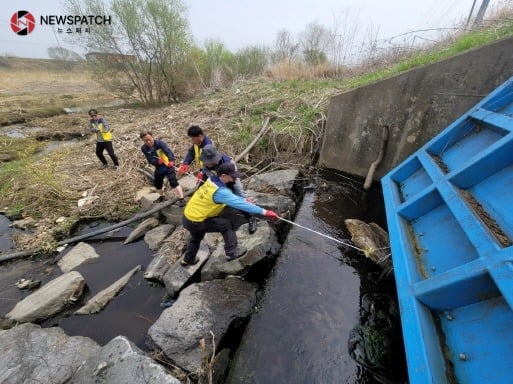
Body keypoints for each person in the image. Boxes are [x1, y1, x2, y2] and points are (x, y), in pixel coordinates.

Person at [181, 162, 280, 266]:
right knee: (225, 224)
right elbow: (241, 204)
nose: (235, 179)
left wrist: (244, 199)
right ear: (223, 176)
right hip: (196, 221)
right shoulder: (220, 192)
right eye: (232, 177)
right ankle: (232, 252)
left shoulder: (212, 180)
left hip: (188, 216)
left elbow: (234, 198)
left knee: (196, 237)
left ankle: (188, 259)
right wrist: (266, 212)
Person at [198, 144, 258, 234]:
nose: (207, 163)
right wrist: (207, 175)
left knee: (239, 195)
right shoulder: (206, 162)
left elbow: (235, 182)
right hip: (215, 178)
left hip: (229, 179)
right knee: (201, 191)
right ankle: (204, 216)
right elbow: (205, 170)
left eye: (209, 161)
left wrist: (243, 198)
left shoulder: (229, 163)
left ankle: (251, 217)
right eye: (206, 161)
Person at [139, 130, 185, 205]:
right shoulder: (144, 148)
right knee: (157, 183)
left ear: (152, 137)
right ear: (143, 141)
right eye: (145, 141)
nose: (148, 142)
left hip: (168, 165)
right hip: (159, 167)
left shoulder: (160, 143)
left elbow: (168, 152)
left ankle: (181, 198)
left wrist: (171, 161)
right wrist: (157, 162)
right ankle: (162, 196)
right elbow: (150, 159)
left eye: (149, 139)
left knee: (173, 181)